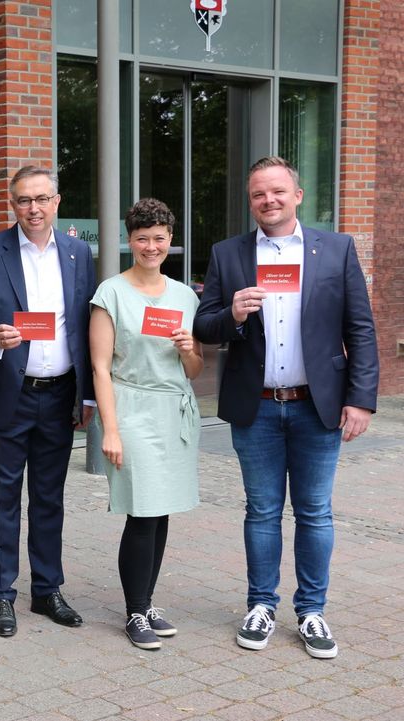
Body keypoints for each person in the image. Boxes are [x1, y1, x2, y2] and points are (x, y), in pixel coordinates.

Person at [193, 156, 379, 659]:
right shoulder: (228, 254)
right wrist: (230, 313)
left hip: (316, 405)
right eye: (258, 194)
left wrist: (361, 399)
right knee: (262, 511)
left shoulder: (335, 249)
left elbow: (359, 328)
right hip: (256, 409)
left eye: (277, 191)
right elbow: (203, 326)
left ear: (297, 195)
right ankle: (261, 606)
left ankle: (312, 611)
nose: (268, 200)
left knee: (315, 512)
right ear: (250, 201)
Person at [0, 165, 96, 637]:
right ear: (11, 204)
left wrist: (88, 394)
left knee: (49, 499)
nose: (33, 209)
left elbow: (85, 326)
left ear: (57, 202)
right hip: (8, 396)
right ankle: (2, 596)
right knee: (3, 501)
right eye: (23, 201)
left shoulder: (79, 253)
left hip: (59, 396)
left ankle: (47, 590)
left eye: (41, 199)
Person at [88, 198, 202, 650]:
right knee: (141, 511)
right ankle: (135, 611)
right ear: (129, 241)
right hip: (131, 408)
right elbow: (100, 368)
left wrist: (189, 348)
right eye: (141, 238)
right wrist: (110, 430)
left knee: (161, 509)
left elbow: (193, 371)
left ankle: (147, 600)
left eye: (158, 238)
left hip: (173, 410)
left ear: (169, 240)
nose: (150, 246)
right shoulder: (110, 294)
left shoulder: (185, 296)